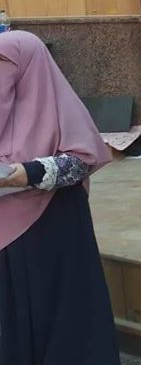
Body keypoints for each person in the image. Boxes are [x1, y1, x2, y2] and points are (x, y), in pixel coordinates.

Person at [0, 31, 119, 364]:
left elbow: (82, 159)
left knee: (62, 322)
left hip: (51, 228)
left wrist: (22, 174)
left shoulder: (52, 100)